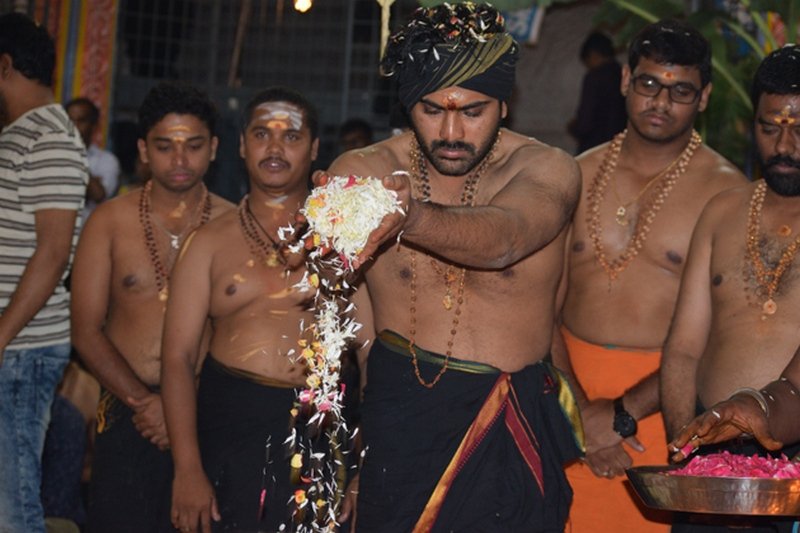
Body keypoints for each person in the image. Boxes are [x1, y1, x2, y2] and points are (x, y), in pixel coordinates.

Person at [326, 4, 584, 532]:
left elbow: (505, 240)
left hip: (509, 422)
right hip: (399, 415)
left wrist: (411, 218)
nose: (450, 131)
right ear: (406, 104)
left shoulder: (547, 169)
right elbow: (342, 292)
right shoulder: (363, 171)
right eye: (431, 109)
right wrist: (374, 368)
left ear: (505, 104)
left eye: (473, 111)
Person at [551, 19, 747, 533]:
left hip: (665, 413)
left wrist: (619, 414)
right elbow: (537, 306)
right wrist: (578, 413)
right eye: (649, 84)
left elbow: (725, 337)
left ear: (703, 97)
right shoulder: (575, 174)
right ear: (624, 81)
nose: (661, 102)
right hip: (564, 405)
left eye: (680, 90)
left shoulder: (728, 195)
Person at [162, 86, 332, 533]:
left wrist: (362, 466)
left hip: (316, 429)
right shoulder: (208, 243)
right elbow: (177, 358)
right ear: (241, 145)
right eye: (261, 134)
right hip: (228, 426)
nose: (274, 148)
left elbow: (373, 358)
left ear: (314, 148)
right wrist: (187, 469)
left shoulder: (344, 241)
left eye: (291, 137)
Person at [70, 82, 230, 533]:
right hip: (128, 410)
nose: (180, 160)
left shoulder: (234, 224)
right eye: (165, 146)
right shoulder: (109, 222)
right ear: (143, 149)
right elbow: (84, 329)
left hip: (209, 405)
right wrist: (147, 404)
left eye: (193, 146)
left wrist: (182, 402)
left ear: (214, 148)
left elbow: (238, 330)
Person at [660, 44, 800, 533]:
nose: (784, 146)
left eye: (799, 130)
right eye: (769, 128)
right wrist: (687, 454)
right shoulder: (722, 211)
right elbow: (683, 347)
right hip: (711, 445)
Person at [0, 12, 89, 533]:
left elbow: (53, 253)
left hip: (21, 349)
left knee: (13, 508)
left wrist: (2, 337)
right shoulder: (22, 134)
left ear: (5, 65)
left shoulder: (50, 138)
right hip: (15, 345)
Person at [567, 31, 627, 154]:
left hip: (595, 148)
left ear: (593, 55)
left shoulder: (595, 78)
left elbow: (585, 122)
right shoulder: (624, 76)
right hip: (621, 148)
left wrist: (573, 127)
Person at [65, 97, 121, 222]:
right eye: (70, 120)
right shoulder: (51, 154)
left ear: (94, 125)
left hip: (87, 235)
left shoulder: (107, 160)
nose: (74, 126)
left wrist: (74, 155)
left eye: (81, 120)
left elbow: (98, 194)